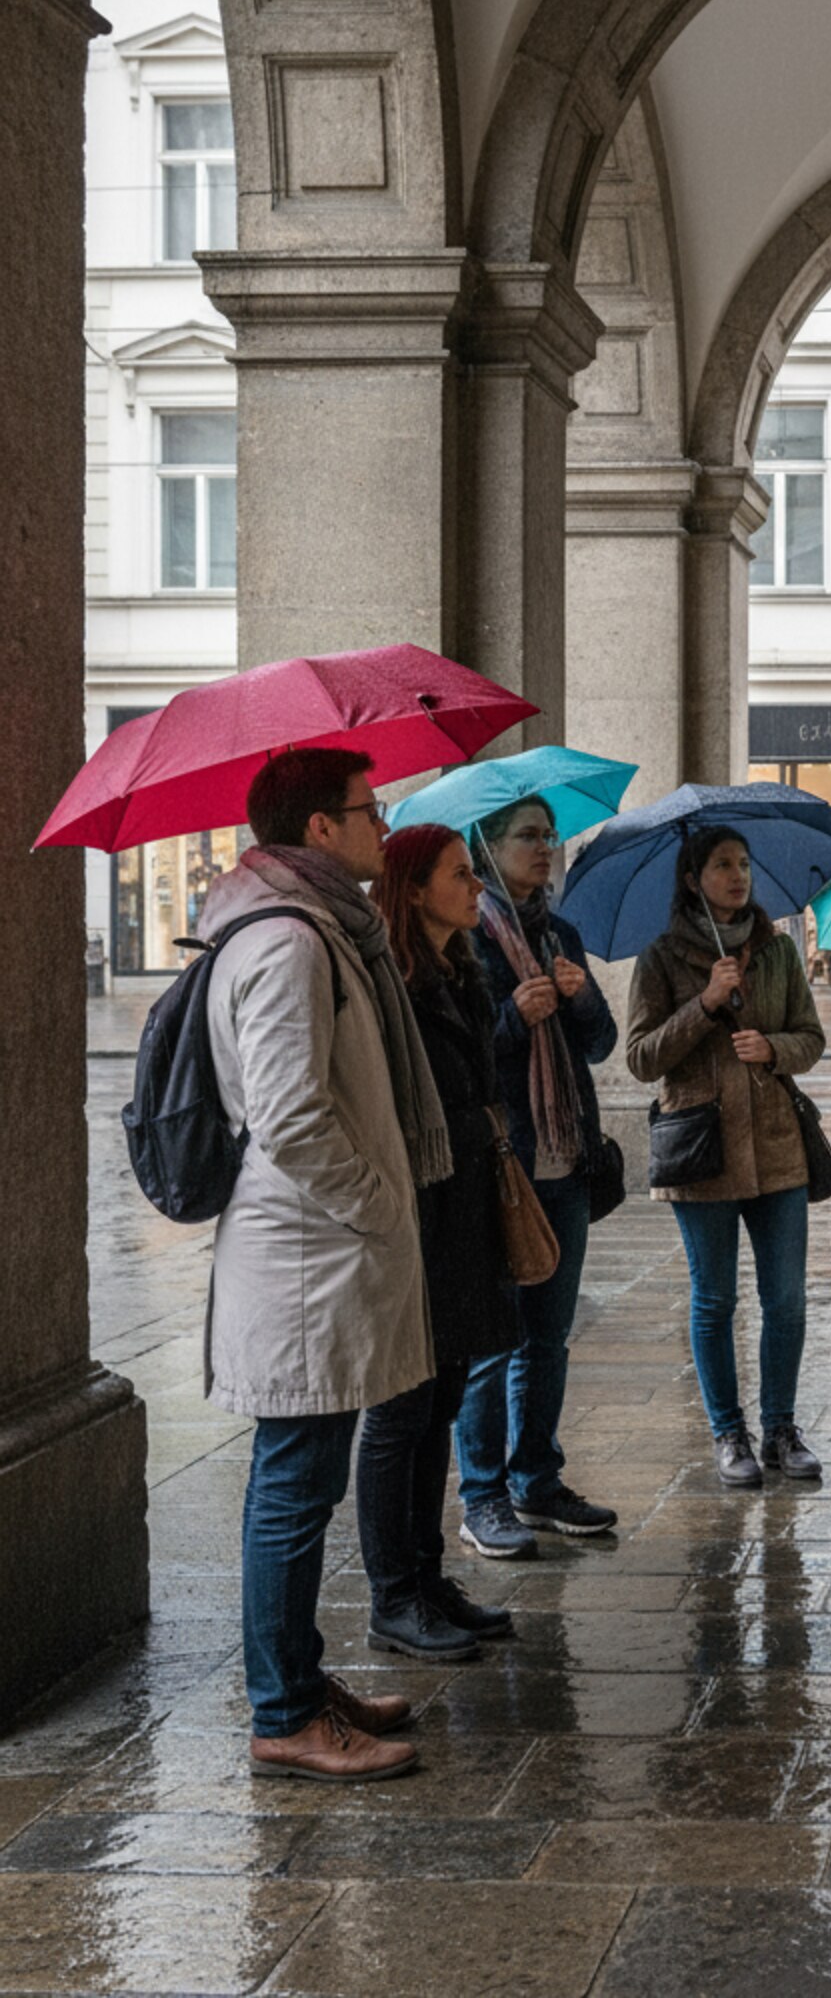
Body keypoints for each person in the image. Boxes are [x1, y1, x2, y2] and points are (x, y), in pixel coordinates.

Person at [199, 747, 439, 1782]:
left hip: (316, 1252)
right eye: (365, 808)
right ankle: (285, 1709)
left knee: (297, 1479)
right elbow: (291, 1115)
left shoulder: (315, 927)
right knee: (294, 1487)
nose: (380, 823)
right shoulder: (291, 941)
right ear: (317, 828)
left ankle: (297, 1674)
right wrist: (379, 1203)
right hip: (309, 1253)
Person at [355, 825, 526, 1662]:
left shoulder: (463, 971)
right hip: (419, 1219)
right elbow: (389, 1116)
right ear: (414, 891)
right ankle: (393, 1595)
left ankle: (427, 1579)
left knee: (441, 1405)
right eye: (460, 875)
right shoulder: (393, 986)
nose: (477, 886)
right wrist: (482, 1123)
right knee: (400, 1415)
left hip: (465, 1218)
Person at [626, 823, 827, 1488]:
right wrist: (705, 1004)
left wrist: (774, 1049)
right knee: (714, 1300)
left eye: (744, 863)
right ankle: (728, 1431)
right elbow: (640, 1057)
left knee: (787, 1301)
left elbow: (810, 1035)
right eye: (721, 864)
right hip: (701, 1148)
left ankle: (781, 1429)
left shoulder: (776, 951)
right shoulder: (660, 957)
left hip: (776, 1145)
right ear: (693, 878)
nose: (738, 875)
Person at [455, 795, 619, 1558]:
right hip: (505, 1162)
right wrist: (513, 1015)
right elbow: (458, 1059)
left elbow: (599, 1046)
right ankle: (482, 1494)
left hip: (565, 1160)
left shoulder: (561, 932)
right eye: (529, 835)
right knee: (494, 1340)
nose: (546, 847)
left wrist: (582, 1002)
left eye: (550, 834)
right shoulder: (465, 940)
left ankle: (537, 1479)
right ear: (487, 850)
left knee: (548, 1338)